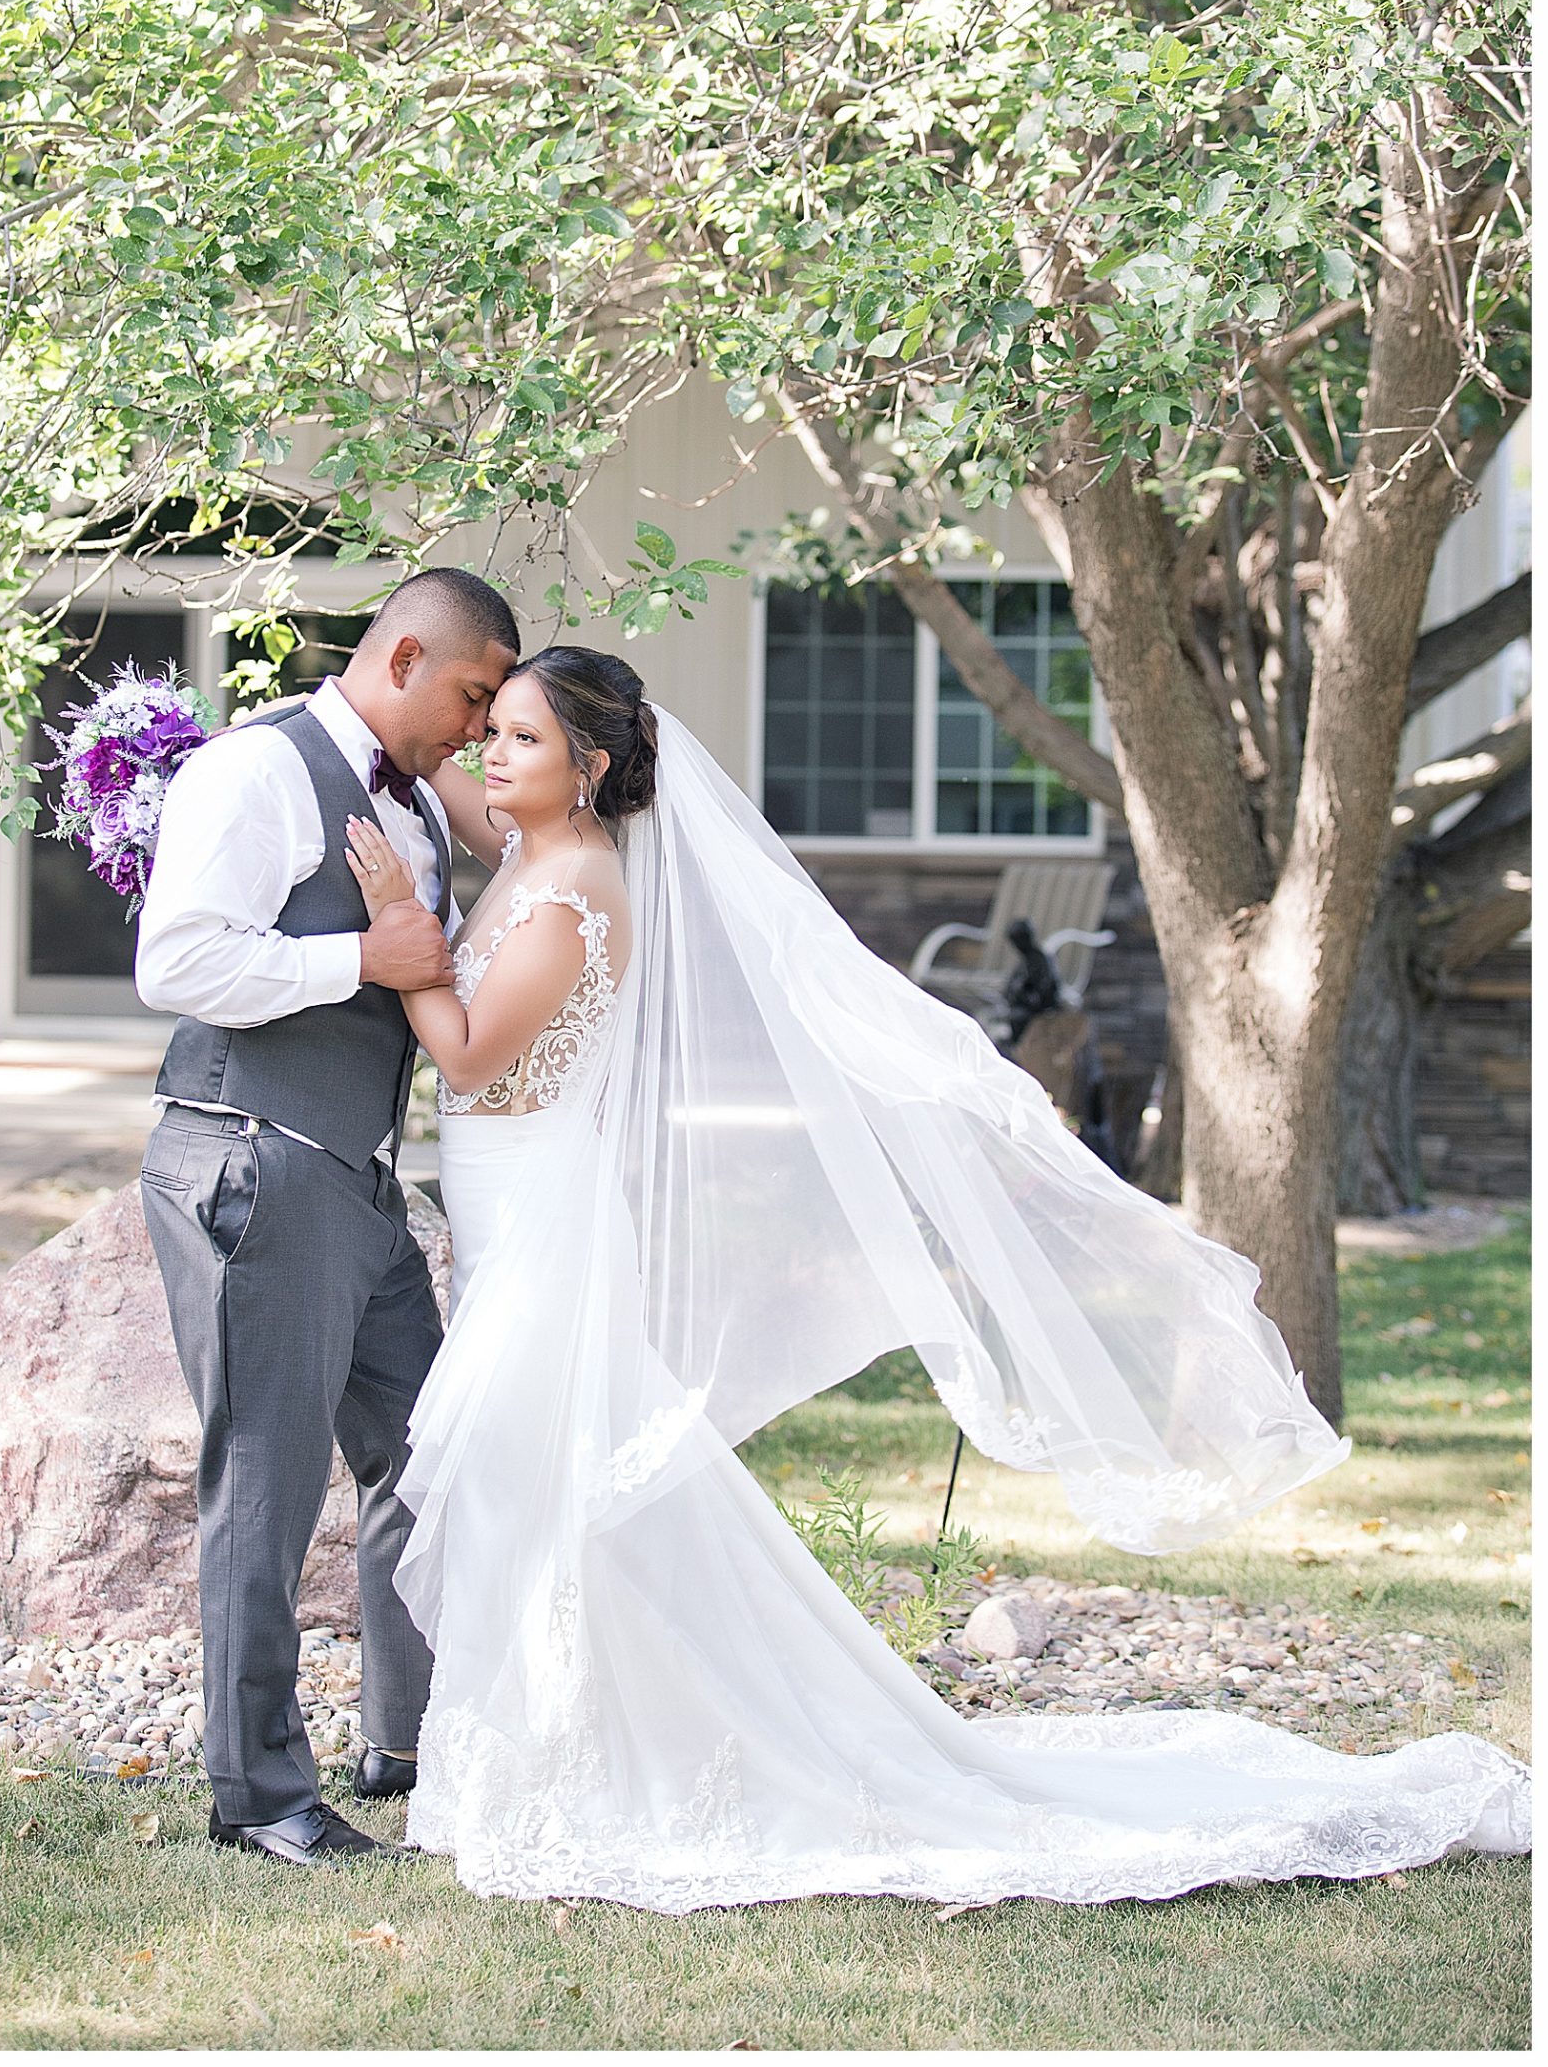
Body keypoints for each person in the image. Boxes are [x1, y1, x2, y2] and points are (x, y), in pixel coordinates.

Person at [344, 643, 1530, 1914]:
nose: (488, 755)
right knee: (545, 1489)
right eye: (492, 730)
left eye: (520, 737)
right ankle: (548, 1752)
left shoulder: (577, 884)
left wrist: (404, 945)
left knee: (543, 1486)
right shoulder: (534, 843)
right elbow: (433, 782)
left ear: (585, 768)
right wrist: (371, 745)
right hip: (505, 1200)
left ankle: (601, 1762)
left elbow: (468, 1057)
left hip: (540, 1212)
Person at [132, 564, 517, 1867]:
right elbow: (174, 959)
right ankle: (259, 1800)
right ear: (401, 657)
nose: (477, 724)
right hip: (253, 1160)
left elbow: (526, 835)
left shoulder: (411, 794)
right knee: (266, 1486)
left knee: (434, 1449)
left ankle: (402, 1741)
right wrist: (363, 958)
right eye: (471, 694)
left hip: (355, 1178)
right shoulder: (252, 774)